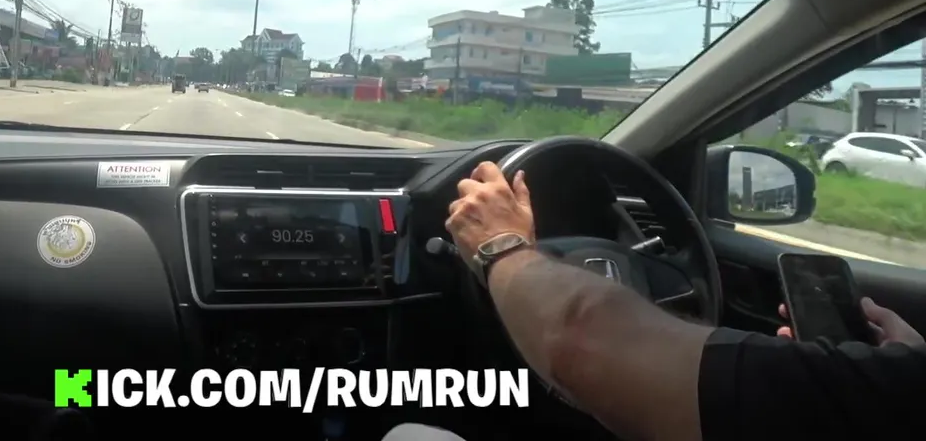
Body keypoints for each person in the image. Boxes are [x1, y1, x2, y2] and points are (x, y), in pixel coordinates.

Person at [386, 161, 926, 441]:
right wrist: (900, 361)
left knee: (409, 433)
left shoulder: (890, 395)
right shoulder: (890, 390)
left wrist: (500, 247)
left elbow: (579, 339)